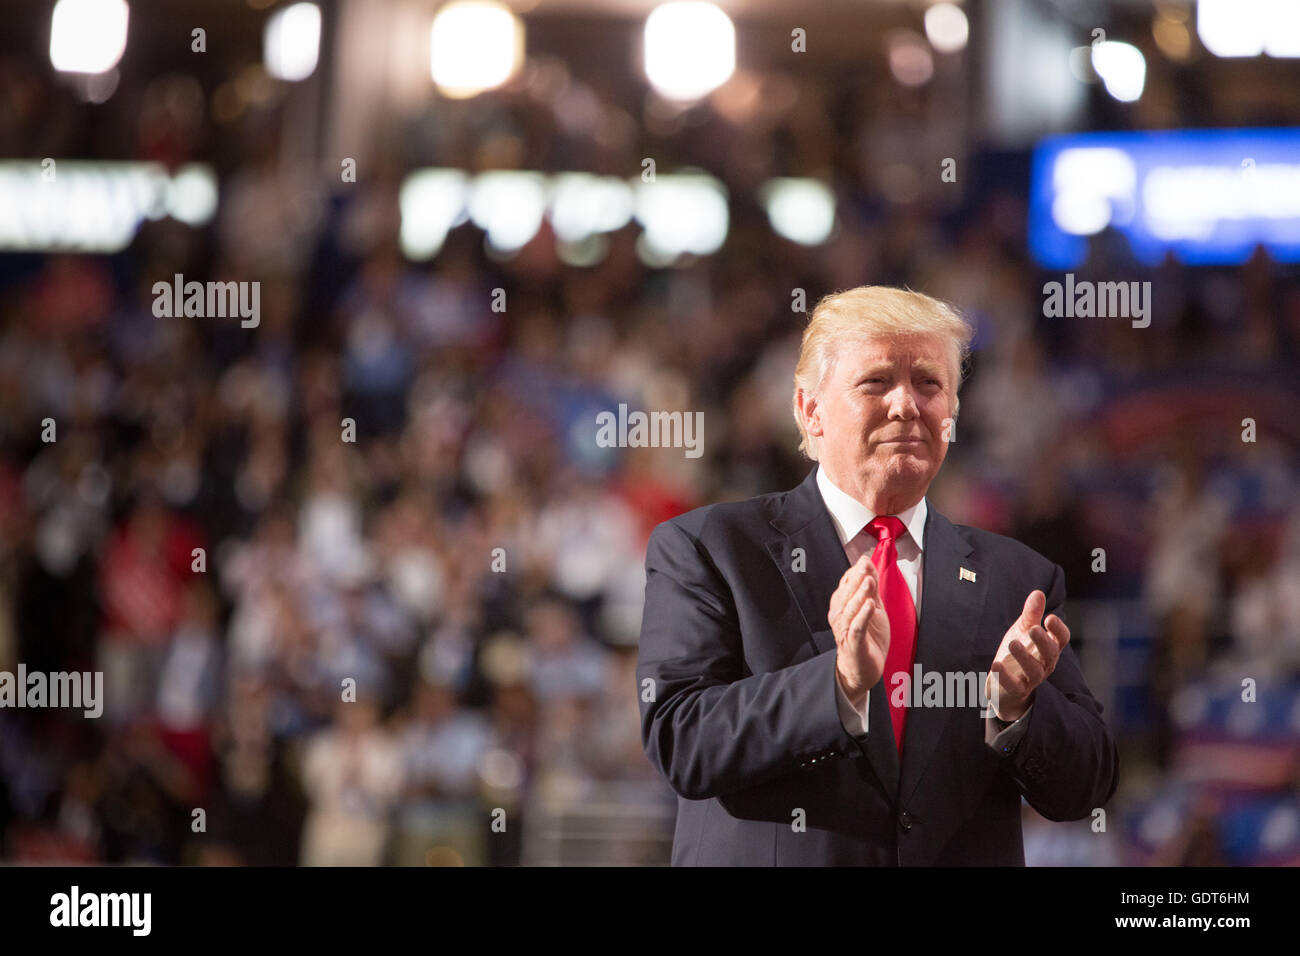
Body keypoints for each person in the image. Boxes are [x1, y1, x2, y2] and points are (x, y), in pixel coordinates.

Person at [636, 286, 1118, 865]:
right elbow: (682, 742)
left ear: (953, 414)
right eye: (876, 381)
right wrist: (837, 684)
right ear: (810, 411)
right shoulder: (710, 548)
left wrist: (1017, 711)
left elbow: (1086, 787)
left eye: (929, 384)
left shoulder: (1020, 579)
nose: (906, 404)